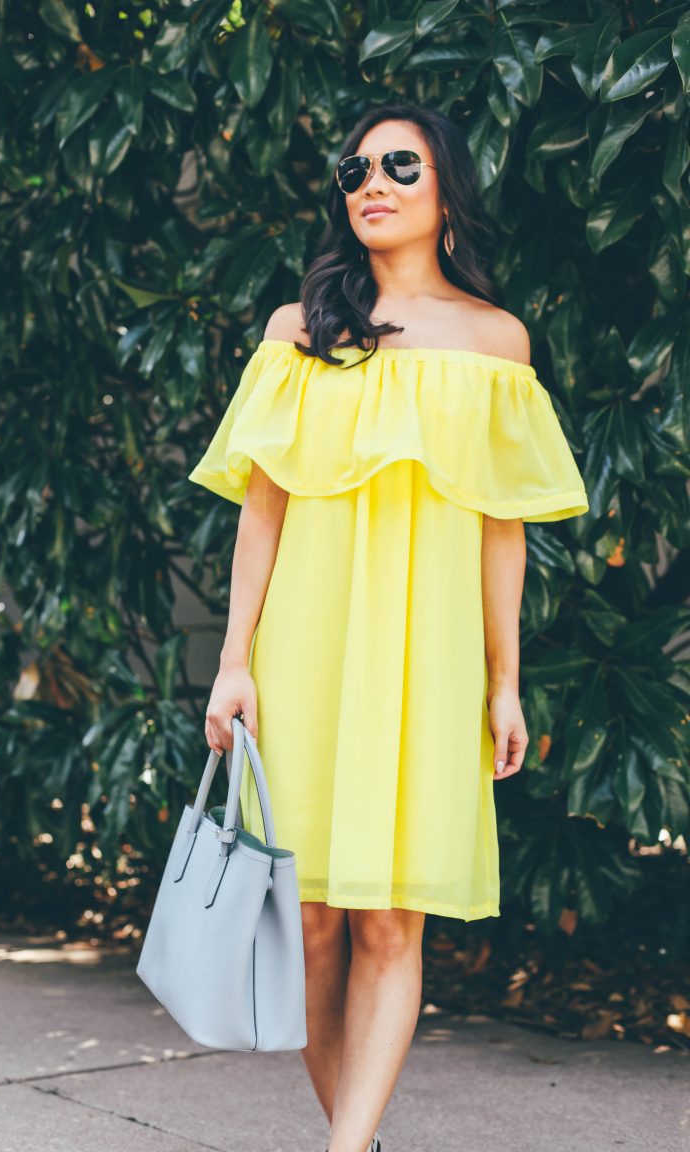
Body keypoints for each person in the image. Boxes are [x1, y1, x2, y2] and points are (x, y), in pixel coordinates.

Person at [188, 101, 589, 1152]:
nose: (372, 181)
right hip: (305, 650)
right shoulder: (299, 331)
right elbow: (262, 509)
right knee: (312, 925)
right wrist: (234, 662)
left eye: (400, 165)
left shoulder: (497, 343)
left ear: (447, 191)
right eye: (357, 167)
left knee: (391, 920)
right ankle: (358, 1142)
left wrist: (505, 682)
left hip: (428, 655)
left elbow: (505, 530)